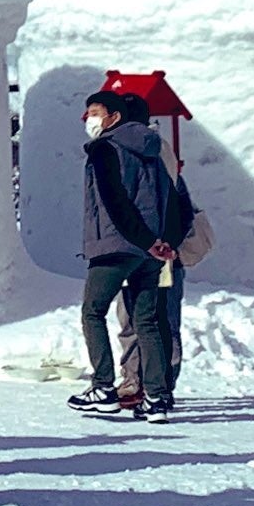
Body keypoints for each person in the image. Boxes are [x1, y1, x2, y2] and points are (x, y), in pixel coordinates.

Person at [70, 91, 186, 422]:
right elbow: (173, 199)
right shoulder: (154, 149)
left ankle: (103, 387)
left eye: (94, 112)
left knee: (93, 311)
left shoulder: (105, 149)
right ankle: (157, 398)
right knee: (146, 320)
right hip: (151, 253)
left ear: (114, 117)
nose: (88, 119)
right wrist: (166, 242)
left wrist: (146, 240)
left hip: (116, 246)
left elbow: (114, 201)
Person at [111, 92, 205, 407]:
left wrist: (167, 245)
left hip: (155, 253)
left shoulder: (154, 153)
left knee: (153, 319)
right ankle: (141, 383)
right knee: (142, 318)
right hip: (143, 251)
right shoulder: (125, 151)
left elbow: (178, 204)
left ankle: (154, 386)